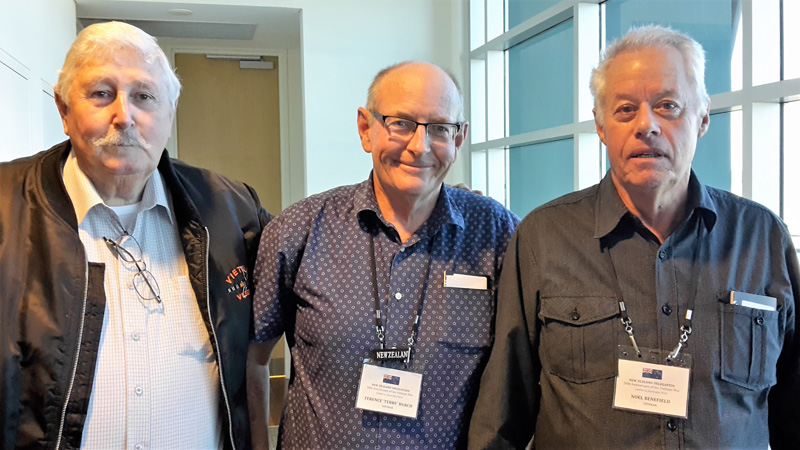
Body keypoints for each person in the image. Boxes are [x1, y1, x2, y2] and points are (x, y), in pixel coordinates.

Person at [468, 25, 800, 449]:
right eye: (625, 110)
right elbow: (501, 417)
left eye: (668, 106)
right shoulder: (543, 238)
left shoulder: (762, 237)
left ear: (702, 119)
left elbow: (792, 405)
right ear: (601, 126)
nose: (647, 125)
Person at [0, 22, 271, 448]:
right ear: (63, 109)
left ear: (169, 113)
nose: (123, 116)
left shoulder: (234, 212)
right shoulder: (5, 208)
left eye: (144, 96)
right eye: (100, 93)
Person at [252, 61, 519, 449]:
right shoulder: (301, 230)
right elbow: (253, 358)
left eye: (440, 128)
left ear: (459, 139)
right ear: (366, 128)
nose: (419, 146)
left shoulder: (496, 234)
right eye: (402, 123)